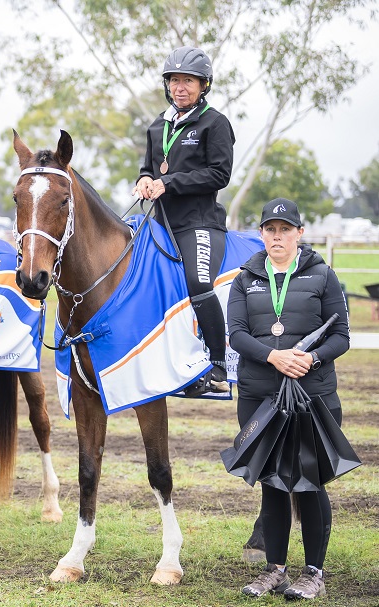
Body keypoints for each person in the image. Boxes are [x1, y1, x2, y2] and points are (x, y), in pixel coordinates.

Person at [227, 199, 349, 600]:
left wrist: (312, 357)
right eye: (270, 230)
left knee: (310, 482)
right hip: (260, 398)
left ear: (300, 233)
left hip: (311, 397)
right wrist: (273, 356)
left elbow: (340, 336)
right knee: (272, 482)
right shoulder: (246, 278)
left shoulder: (323, 275)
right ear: (261, 234)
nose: (277, 236)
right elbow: (237, 334)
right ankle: (274, 569)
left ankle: (314, 572)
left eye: (285, 229)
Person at [132, 45, 237, 397]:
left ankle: (219, 370)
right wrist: (145, 179)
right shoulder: (156, 126)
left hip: (199, 224)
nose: (180, 87)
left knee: (197, 281)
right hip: (161, 224)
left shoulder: (215, 123)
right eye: (174, 80)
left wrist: (169, 182)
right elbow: (150, 167)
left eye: (188, 81)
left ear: (203, 85)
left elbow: (220, 174)